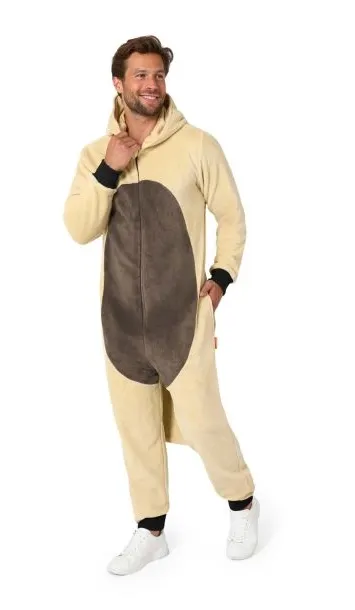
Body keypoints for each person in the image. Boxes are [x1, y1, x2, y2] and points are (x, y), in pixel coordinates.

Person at [62, 35, 259, 576]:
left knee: (203, 419)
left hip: (183, 320)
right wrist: (109, 168)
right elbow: (79, 228)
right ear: (118, 83)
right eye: (141, 75)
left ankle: (242, 503)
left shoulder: (197, 145)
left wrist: (220, 279)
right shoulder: (95, 154)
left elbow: (232, 217)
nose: (152, 85)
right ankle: (151, 530)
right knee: (137, 430)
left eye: (158, 75)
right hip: (121, 323)